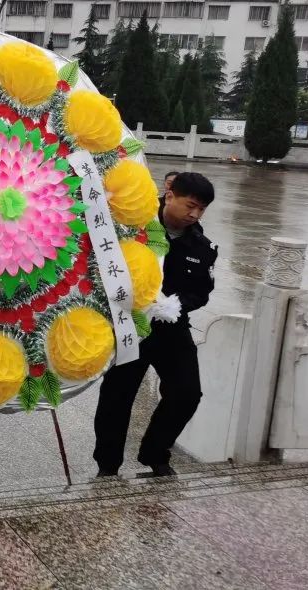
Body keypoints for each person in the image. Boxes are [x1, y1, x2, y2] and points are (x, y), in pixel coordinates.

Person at [93, 172, 218, 478]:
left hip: (171, 328)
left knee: (187, 393)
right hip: (131, 326)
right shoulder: (133, 227)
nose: (194, 214)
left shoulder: (202, 247)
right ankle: (108, 465)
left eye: (201, 209)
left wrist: (175, 305)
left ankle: (155, 453)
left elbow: (201, 292)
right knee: (117, 397)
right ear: (170, 194)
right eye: (191, 205)